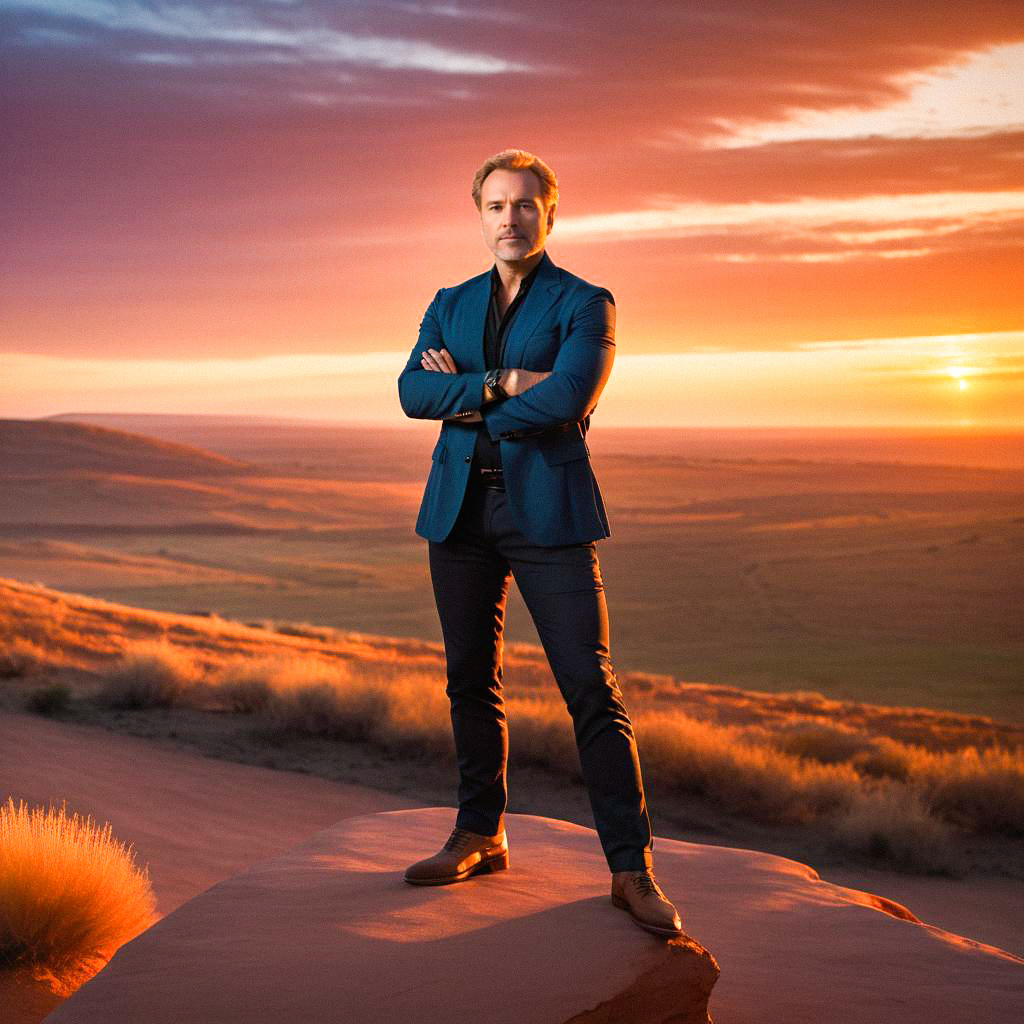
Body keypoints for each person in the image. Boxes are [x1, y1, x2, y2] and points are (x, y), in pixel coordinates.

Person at [397, 148, 682, 936]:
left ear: (550, 214)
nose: (510, 219)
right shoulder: (448, 301)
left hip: (548, 516)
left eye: (526, 205)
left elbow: (571, 396)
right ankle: (479, 834)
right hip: (459, 517)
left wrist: (466, 402)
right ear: (478, 214)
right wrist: (497, 384)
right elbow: (409, 391)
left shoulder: (587, 302)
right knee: (468, 680)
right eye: (496, 205)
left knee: (590, 690)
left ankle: (631, 870)